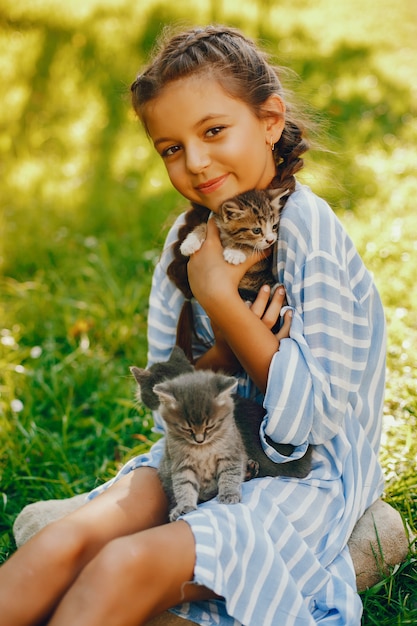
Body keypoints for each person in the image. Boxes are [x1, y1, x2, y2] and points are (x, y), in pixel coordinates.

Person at [0, 24, 387, 625]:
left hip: (304, 476)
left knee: (120, 566)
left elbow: (313, 422)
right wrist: (230, 348)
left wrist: (221, 299)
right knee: (62, 544)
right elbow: (168, 394)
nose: (195, 162)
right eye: (171, 148)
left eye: (212, 131)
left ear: (270, 120)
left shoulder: (308, 233)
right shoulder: (186, 242)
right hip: (202, 451)